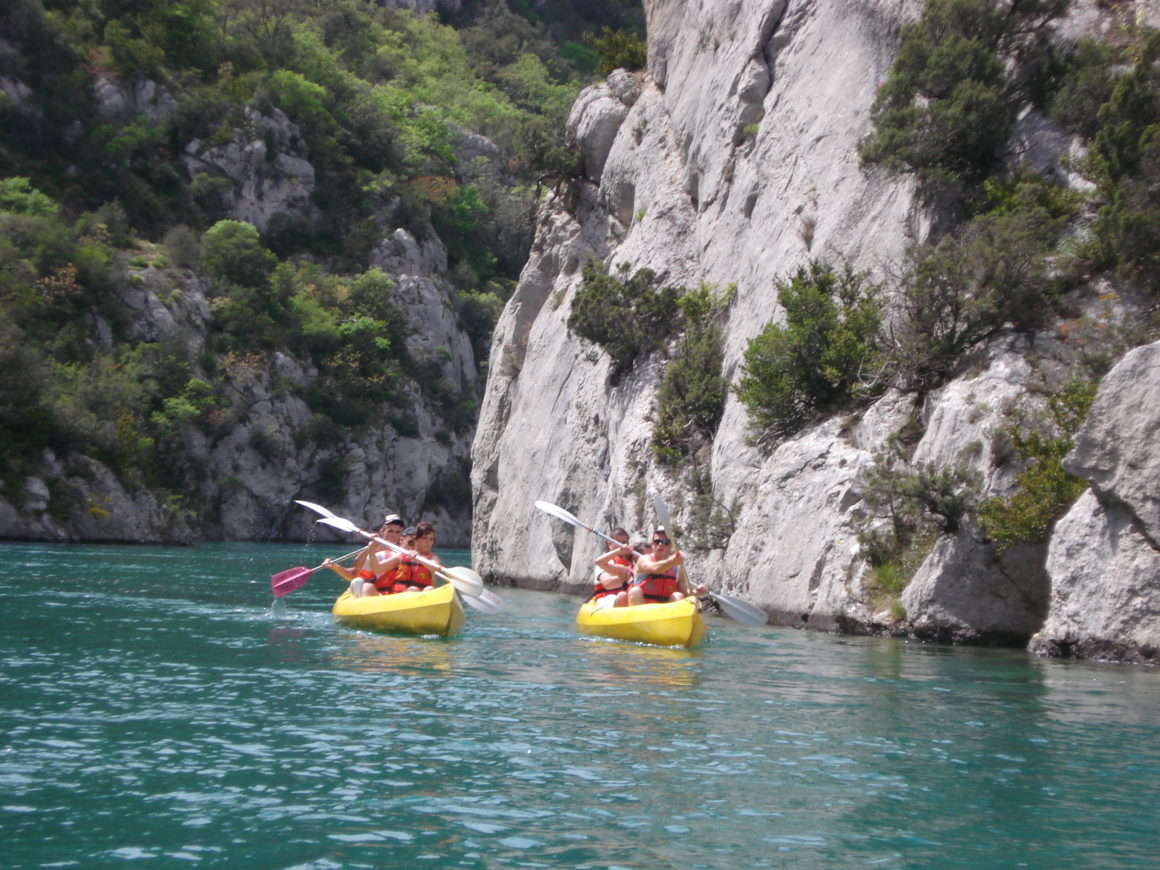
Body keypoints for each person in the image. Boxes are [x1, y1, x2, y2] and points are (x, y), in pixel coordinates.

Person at [324, 514, 405, 597]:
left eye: (397, 532)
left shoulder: (401, 552)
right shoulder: (371, 549)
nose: (393, 535)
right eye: (390, 531)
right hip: (369, 592)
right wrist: (335, 566)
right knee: (357, 581)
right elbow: (353, 574)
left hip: (391, 595)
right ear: (382, 531)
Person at [627, 526, 707, 606]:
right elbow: (654, 568)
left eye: (665, 542)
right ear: (652, 545)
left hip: (666, 611)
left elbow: (685, 593)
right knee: (635, 591)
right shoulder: (643, 559)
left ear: (671, 545)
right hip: (643, 608)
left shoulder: (678, 567)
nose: (661, 544)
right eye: (657, 541)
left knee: (678, 596)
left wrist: (696, 592)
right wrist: (672, 561)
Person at [387, 521, 440, 593]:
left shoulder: (433, 557)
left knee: (429, 589)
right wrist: (371, 552)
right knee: (413, 589)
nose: (428, 542)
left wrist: (419, 560)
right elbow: (377, 568)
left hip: (422, 595)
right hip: (401, 596)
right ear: (416, 539)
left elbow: (433, 567)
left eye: (431, 539)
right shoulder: (403, 555)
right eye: (424, 538)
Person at [592, 527, 634, 608]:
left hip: (628, 594)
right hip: (607, 597)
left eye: (624, 542)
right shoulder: (605, 562)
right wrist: (628, 577)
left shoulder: (631, 562)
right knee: (623, 596)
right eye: (618, 542)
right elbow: (608, 583)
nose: (621, 545)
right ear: (610, 544)